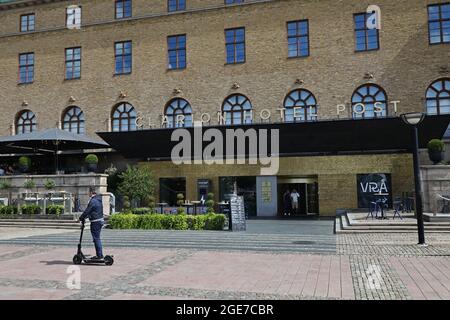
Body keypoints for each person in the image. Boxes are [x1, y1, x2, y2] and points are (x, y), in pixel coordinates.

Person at [79, 187, 104, 260]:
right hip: (99, 220)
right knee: (97, 238)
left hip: (95, 222)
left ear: (91, 192)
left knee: (96, 239)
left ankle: (99, 256)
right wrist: (87, 216)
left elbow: (87, 210)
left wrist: (81, 218)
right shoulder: (98, 199)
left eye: (88, 192)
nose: (87, 194)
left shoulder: (93, 201)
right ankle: (99, 255)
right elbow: (93, 211)